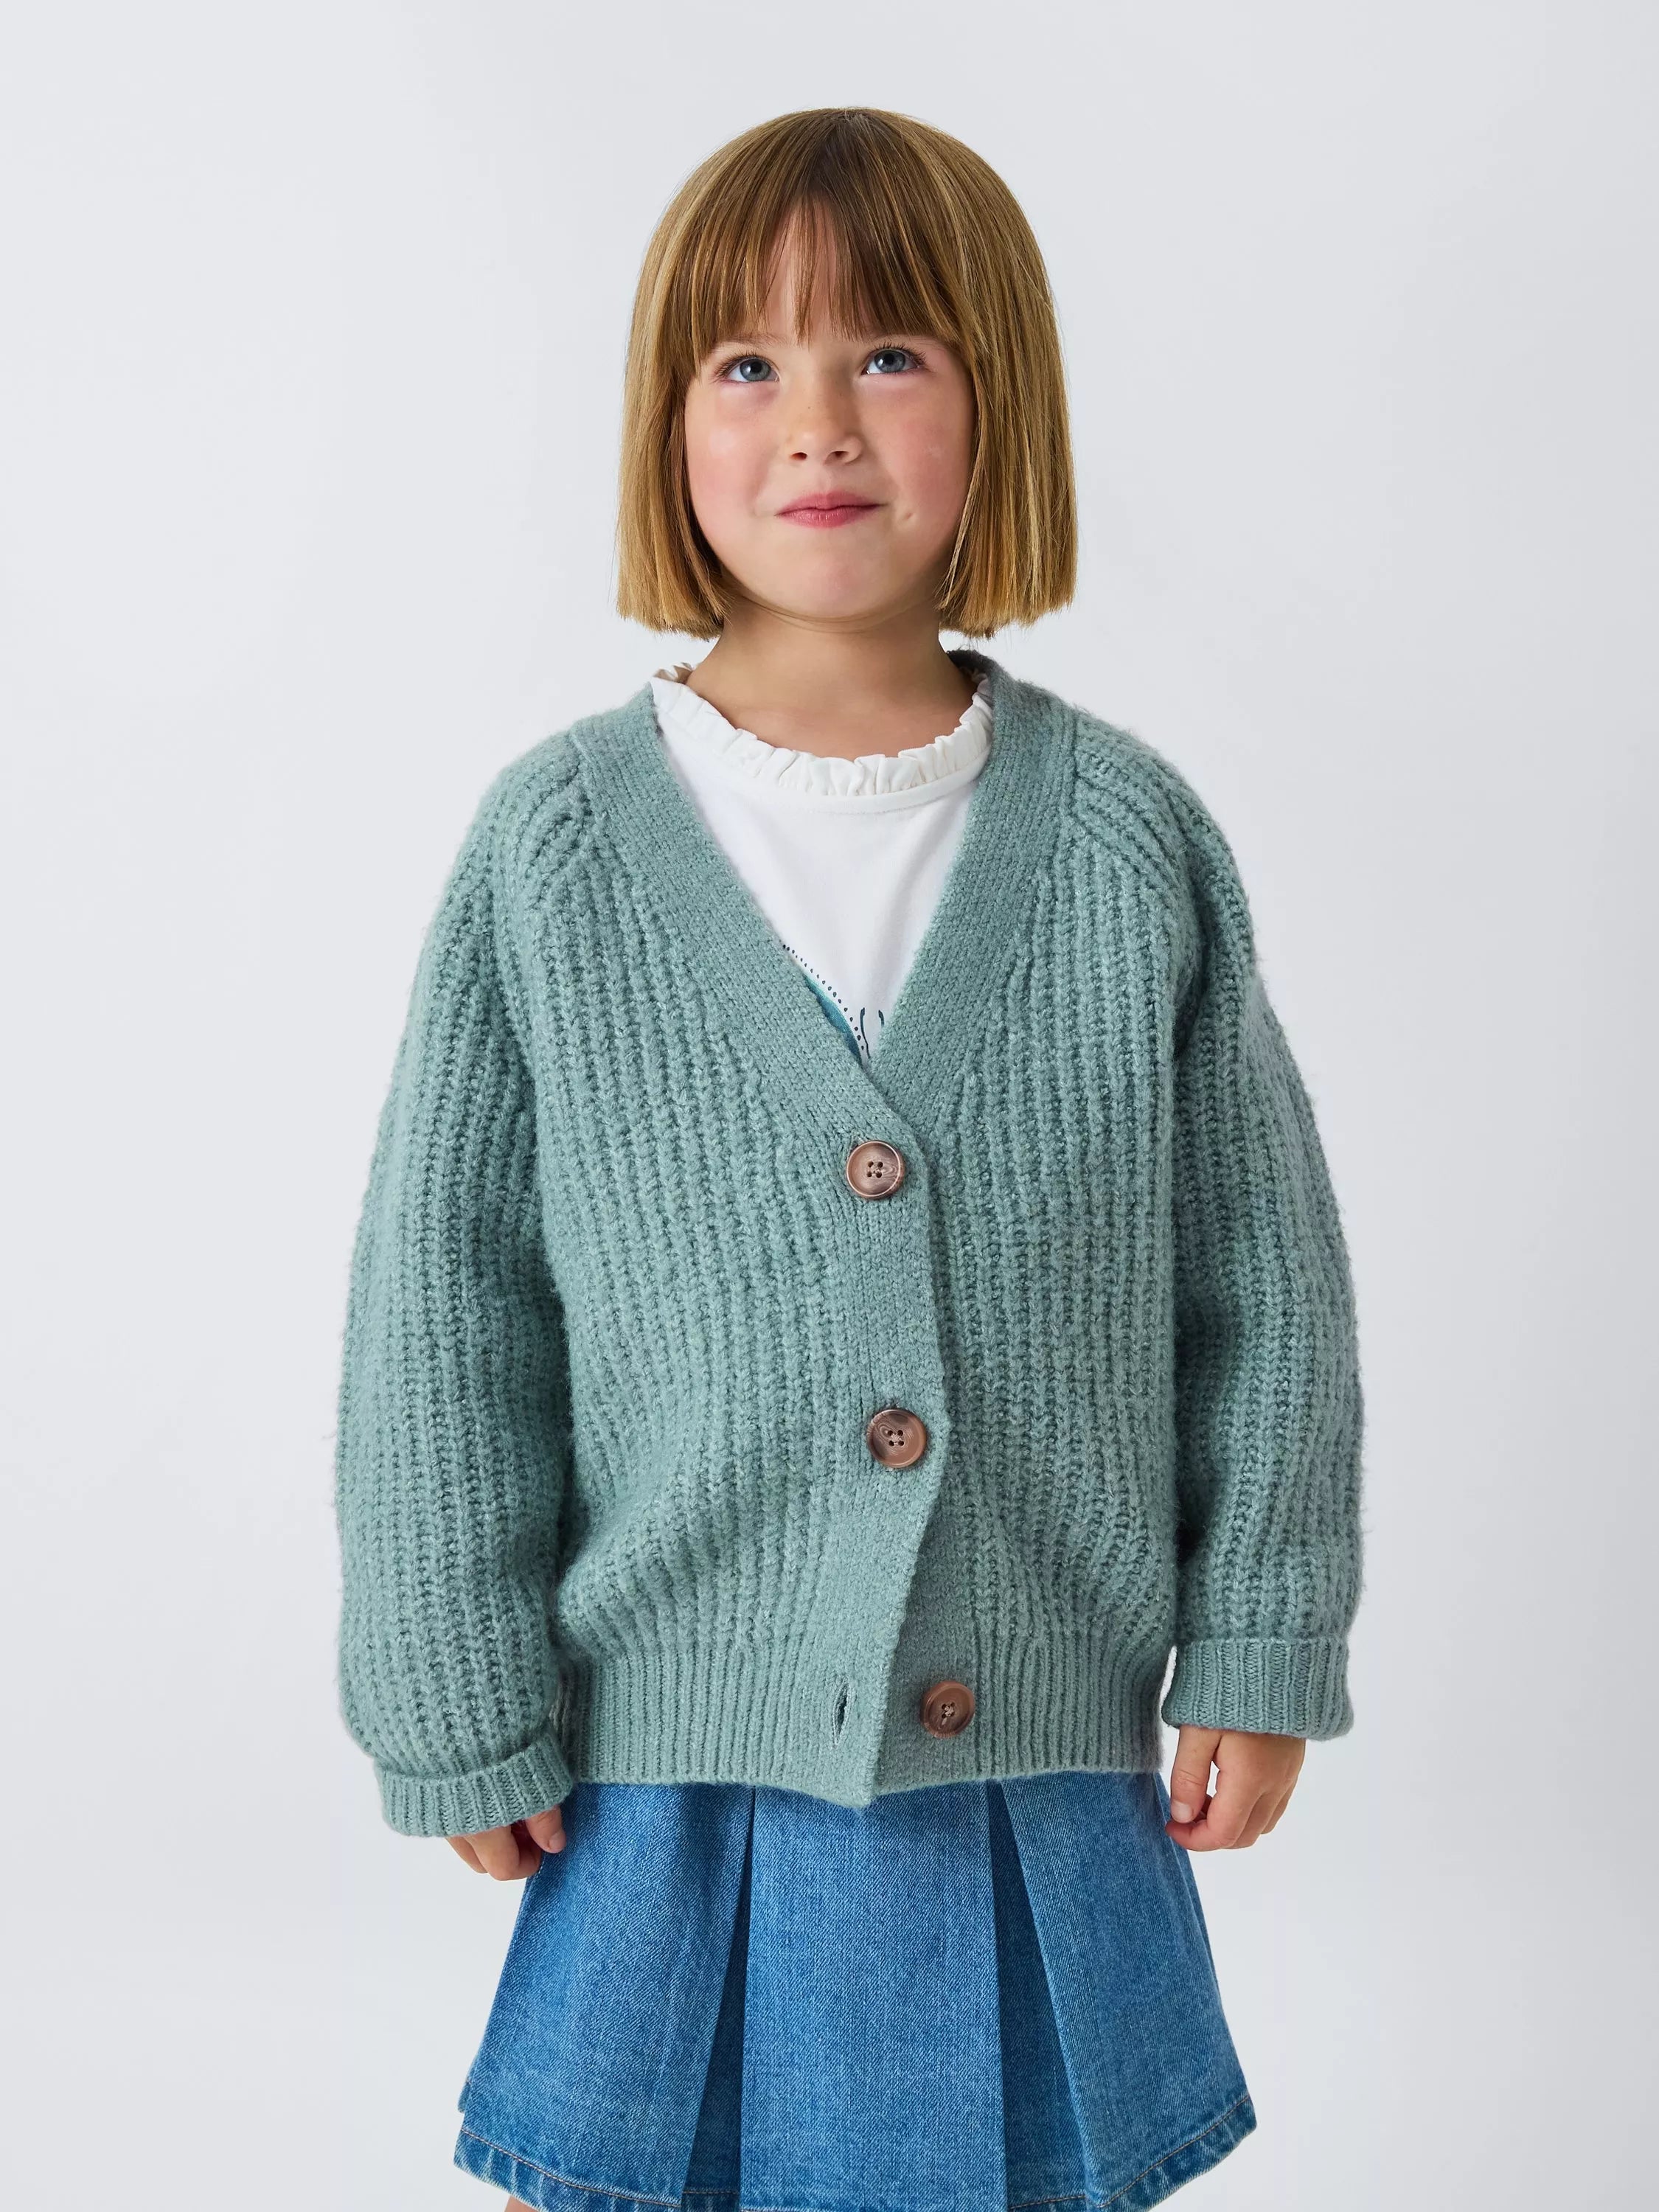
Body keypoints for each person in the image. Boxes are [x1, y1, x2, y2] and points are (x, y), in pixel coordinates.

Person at [333, 105, 1366, 2212]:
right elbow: (443, 1304)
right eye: (748, 364)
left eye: (888, 354)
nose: (818, 422)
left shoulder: (1125, 838)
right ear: (667, 423)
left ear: (1002, 408)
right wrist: (448, 1683)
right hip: (668, 1761)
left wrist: (1262, 1640)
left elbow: (1262, 1284)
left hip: (1042, 1750)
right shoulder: (556, 849)